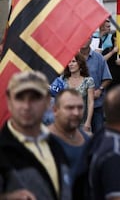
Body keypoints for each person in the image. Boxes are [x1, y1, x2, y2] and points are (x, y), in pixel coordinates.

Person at [0, 71, 71, 199]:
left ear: (47, 101)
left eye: (34, 98)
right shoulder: (3, 149)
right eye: (20, 97)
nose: (27, 106)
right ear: (9, 101)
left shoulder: (56, 145)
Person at [48, 89, 90, 178]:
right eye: (70, 108)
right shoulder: (44, 142)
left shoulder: (88, 142)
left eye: (80, 107)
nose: (76, 113)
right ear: (55, 110)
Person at [80, 37, 112, 133]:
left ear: (91, 39)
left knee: (99, 134)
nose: (84, 40)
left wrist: (100, 89)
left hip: (96, 105)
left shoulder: (99, 58)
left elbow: (107, 78)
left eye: (86, 37)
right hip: (78, 105)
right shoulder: (73, 58)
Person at [61, 53, 94, 132]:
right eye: (69, 62)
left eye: (73, 61)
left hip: (82, 122)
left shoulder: (88, 81)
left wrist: (88, 122)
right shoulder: (62, 80)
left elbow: (90, 102)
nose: (70, 64)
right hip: (65, 122)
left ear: (80, 64)